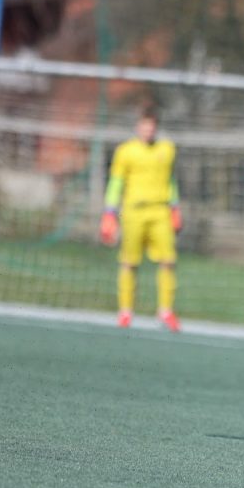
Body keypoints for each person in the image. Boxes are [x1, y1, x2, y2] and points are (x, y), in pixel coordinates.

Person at [100, 104, 183, 332]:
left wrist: (175, 208)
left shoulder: (167, 149)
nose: (148, 130)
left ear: (156, 127)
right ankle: (126, 311)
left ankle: (165, 311)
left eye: (152, 126)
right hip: (134, 211)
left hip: (160, 212)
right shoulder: (126, 151)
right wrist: (109, 212)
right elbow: (116, 182)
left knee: (168, 261)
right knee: (129, 262)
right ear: (138, 127)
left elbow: (171, 181)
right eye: (144, 126)